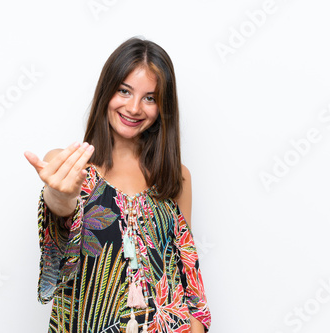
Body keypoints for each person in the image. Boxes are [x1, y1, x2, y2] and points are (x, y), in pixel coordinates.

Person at [25, 36, 211, 333]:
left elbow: (186, 275)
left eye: (150, 97)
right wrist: (60, 196)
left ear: (163, 107)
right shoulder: (68, 167)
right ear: (107, 91)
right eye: (124, 91)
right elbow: (58, 235)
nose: (135, 107)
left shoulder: (176, 178)